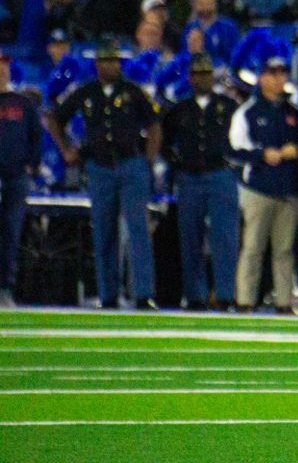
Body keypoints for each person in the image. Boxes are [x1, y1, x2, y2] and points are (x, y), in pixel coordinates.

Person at [47, 38, 160, 310]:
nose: (110, 66)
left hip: (130, 163)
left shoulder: (133, 92)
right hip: (99, 166)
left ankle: (143, 293)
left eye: (114, 61)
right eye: (106, 60)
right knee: (104, 232)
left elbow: (154, 124)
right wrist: (66, 150)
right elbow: (54, 118)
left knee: (138, 231)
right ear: (97, 64)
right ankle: (108, 294)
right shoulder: (86, 93)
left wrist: (147, 159)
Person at [228, 52, 298, 315]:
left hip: (289, 188)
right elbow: (234, 149)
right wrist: (261, 154)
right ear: (262, 77)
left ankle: (284, 302)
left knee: (284, 250)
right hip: (258, 187)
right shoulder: (248, 111)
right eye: (274, 73)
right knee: (253, 247)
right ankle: (245, 300)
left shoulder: (296, 114)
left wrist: (296, 152)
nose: (279, 78)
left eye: (282, 73)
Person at [161, 53, 239, 311]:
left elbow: (241, 138)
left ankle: (226, 294)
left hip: (220, 174)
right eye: (197, 74)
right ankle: (195, 295)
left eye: (206, 74)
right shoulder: (179, 109)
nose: (202, 79)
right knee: (190, 237)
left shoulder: (228, 106)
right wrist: (176, 162)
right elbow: (164, 140)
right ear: (190, 78)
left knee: (224, 237)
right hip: (191, 176)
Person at [0, 49, 39, 307]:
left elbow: (35, 136)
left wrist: (32, 166)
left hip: (14, 177)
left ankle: (4, 288)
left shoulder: (22, 103)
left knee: (10, 235)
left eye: (3, 65)